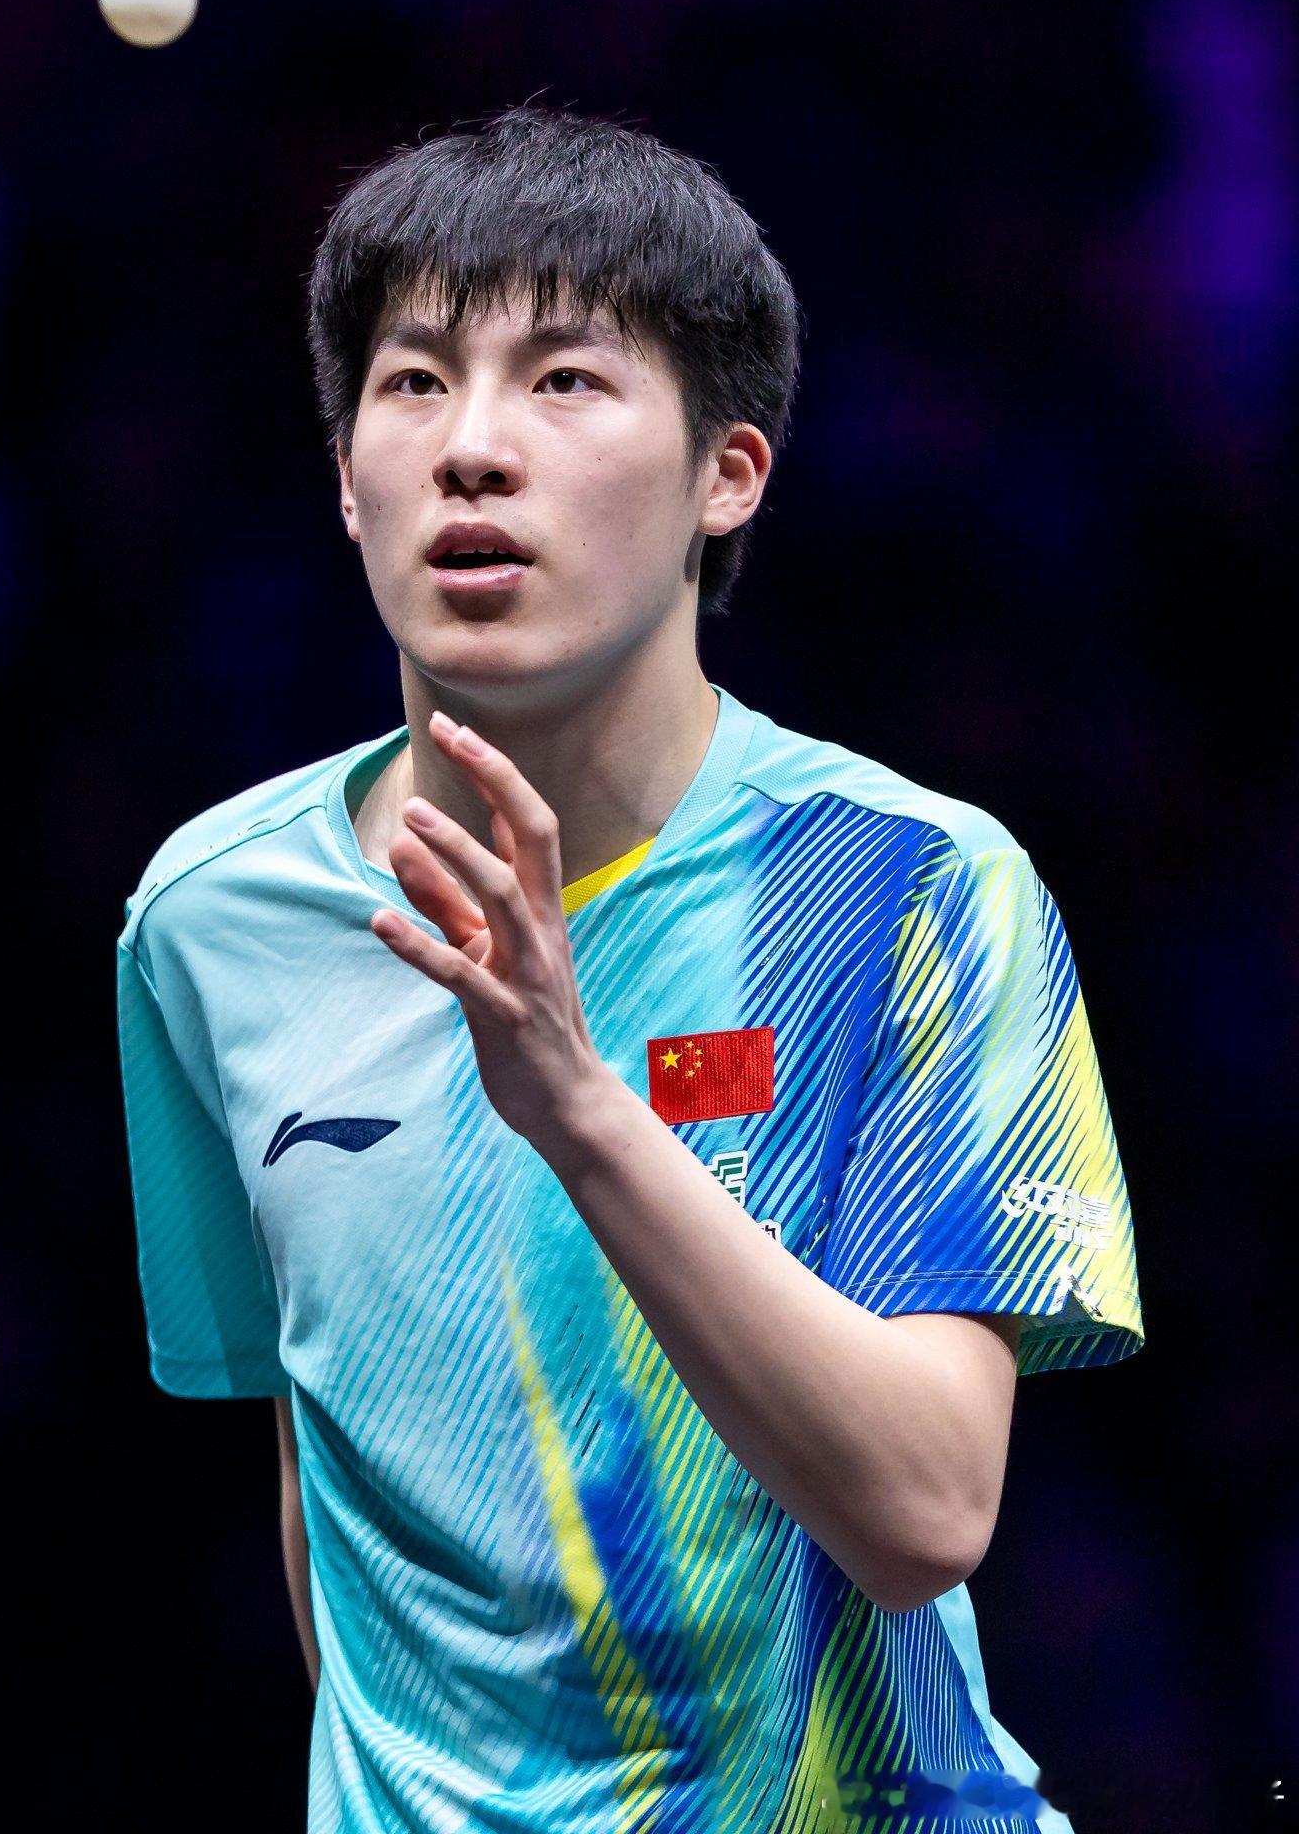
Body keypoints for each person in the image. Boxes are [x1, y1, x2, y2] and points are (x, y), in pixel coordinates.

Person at [115, 103, 1143, 1832]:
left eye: (566, 380)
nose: (472, 449)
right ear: (348, 477)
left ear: (725, 477)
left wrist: (580, 1109)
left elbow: (924, 1512)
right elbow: (322, 1451)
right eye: (415, 382)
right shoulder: (213, 918)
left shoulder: (907, 889)